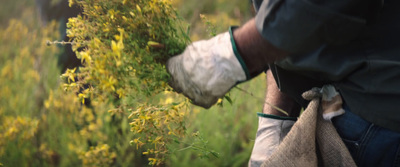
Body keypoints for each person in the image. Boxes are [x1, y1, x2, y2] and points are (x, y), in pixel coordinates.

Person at [166, 0, 400, 166]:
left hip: (378, 117)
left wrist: (234, 55)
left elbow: (316, 9)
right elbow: (280, 22)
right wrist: (275, 121)